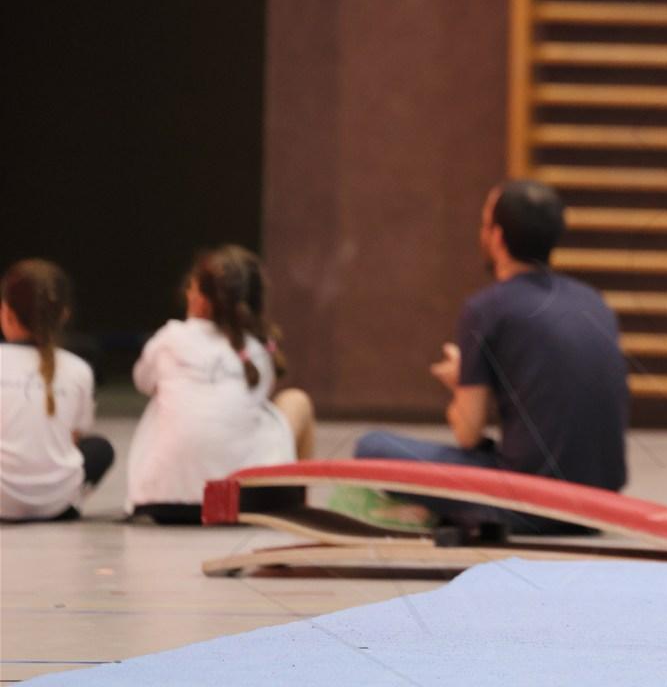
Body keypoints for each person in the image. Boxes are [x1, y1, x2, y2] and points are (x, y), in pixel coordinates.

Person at [353, 180, 629, 534]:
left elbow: (467, 433)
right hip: (601, 502)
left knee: (373, 446)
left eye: (484, 224)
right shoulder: (593, 301)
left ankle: (454, 512)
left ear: (497, 237)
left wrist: (461, 382)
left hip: (531, 503)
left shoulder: (487, 308)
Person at [126, 246, 315, 522]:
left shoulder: (168, 338)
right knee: (296, 401)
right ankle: (297, 505)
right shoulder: (257, 350)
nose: (187, 294)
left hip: (163, 503)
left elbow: (143, 382)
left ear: (202, 301)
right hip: (246, 501)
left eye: (191, 288)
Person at [1, 260, 113, 521]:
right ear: (64, 315)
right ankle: (60, 498)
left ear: (6, 312)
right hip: (55, 505)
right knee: (99, 449)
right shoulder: (79, 369)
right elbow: (74, 437)